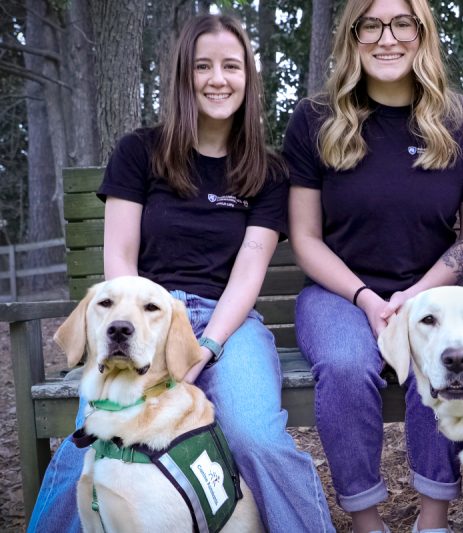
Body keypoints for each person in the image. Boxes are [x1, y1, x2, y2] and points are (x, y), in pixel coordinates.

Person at [27, 14, 334, 533]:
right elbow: (119, 261)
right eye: (204, 66)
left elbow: (249, 270)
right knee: (89, 441)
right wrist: (144, 336)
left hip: (227, 326)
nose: (218, 78)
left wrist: (205, 347)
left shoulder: (266, 170)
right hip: (141, 321)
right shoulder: (139, 152)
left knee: (258, 437)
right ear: (183, 77)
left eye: (231, 66)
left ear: (248, 79)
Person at [282, 0, 463, 531]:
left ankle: (432, 518)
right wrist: (368, 300)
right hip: (338, 295)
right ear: (352, 36)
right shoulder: (316, 120)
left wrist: (415, 299)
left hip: (432, 294)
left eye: (403, 23)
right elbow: (305, 239)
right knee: (346, 367)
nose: (387, 38)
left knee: (440, 355)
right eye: (370, 25)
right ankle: (366, 519)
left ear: (423, 33)